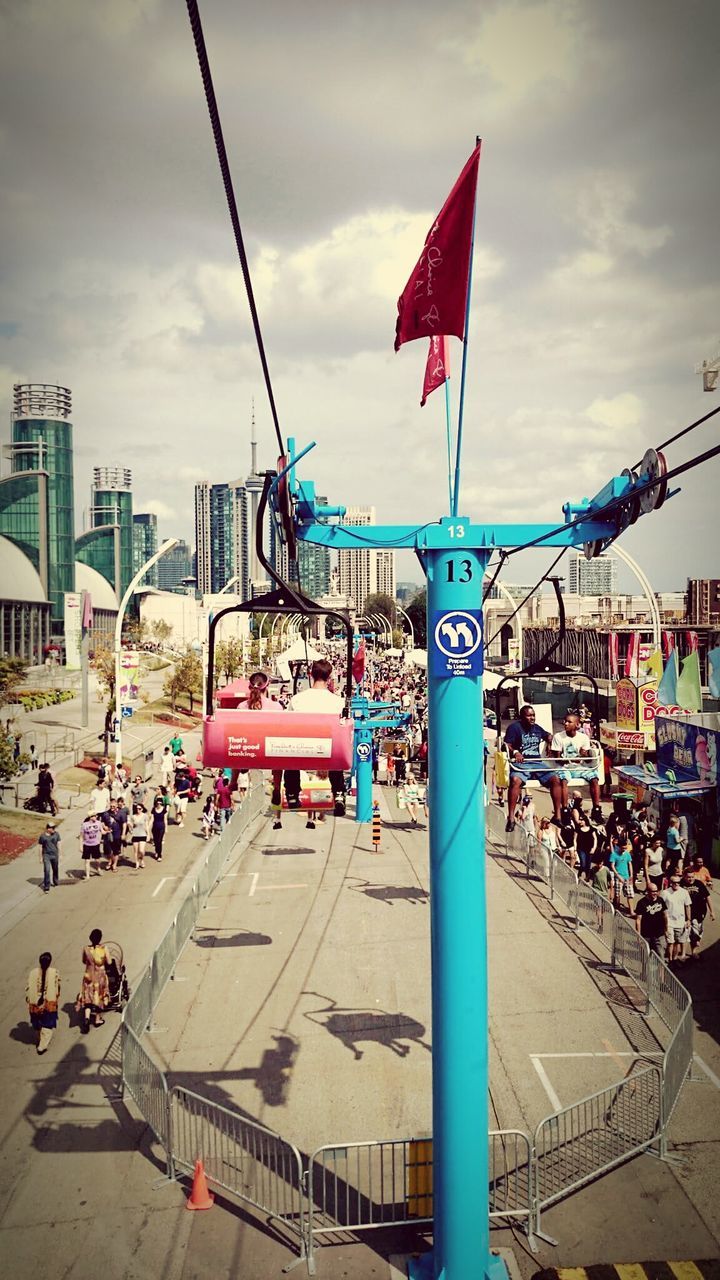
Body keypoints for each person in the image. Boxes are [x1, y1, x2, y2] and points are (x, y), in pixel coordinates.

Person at [286, 659, 347, 817]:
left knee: (290, 754)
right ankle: (339, 792)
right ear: (330, 677)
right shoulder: (338, 703)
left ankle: (292, 793)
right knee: (337, 754)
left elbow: (287, 723)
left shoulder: (297, 700)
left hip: (302, 750)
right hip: (328, 750)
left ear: (310, 674)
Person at [504, 706, 563, 832]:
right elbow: (506, 744)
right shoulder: (514, 728)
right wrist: (515, 752)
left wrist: (549, 742)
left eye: (533, 715)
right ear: (522, 717)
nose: (532, 718)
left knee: (555, 779)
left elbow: (548, 735)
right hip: (522, 762)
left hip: (536, 763)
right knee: (515, 780)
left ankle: (557, 816)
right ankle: (511, 818)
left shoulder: (536, 728)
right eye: (529, 715)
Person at [550, 712, 603, 820]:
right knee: (563, 780)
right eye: (565, 721)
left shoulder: (583, 738)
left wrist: (586, 754)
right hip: (565, 767)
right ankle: (564, 809)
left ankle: (596, 809)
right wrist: (572, 759)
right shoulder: (559, 737)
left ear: (577, 725)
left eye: (569, 722)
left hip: (579, 767)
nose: (566, 724)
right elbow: (558, 759)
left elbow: (588, 760)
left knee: (594, 778)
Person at [26, 952, 61, 1054]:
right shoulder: (54, 972)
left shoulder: (32, 973)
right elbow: (57, 988)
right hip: (48, 1003)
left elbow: (28, 988)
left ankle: (40, 1039)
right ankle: (42, 1046)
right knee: (48, 1024)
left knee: (37, 1023)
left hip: (34, 1003)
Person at [78, 929, 110, 1033]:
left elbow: (84, 961)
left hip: (88, 976)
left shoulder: (86, 949)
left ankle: (86, 1018)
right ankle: (97, 1019)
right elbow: (109, 962)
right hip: (99, 977)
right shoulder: (104, 948)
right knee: (99, 998)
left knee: (88, 998)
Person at [683, 866, 715, 959]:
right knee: (688, 933)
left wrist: (712, 911)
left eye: (692, 877)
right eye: (688, 877)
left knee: (697, 933)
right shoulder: (681, 884)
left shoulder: (699, 884)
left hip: (699, 913)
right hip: (685, 913)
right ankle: (685, 953)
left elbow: (708, 897)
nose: (690, 879)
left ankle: (694, 951)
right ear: (684, 876)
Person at [661, 875, 692, 963]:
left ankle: (674, 959)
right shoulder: (665, 893)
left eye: (678, 882)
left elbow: (687, 906)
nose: (676, 884)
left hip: (680, 922)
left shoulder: (684, 892)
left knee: (678, 942)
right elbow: (661, 907)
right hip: (669, 922)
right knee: (670, 942)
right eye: (674, 882)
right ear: (671, 883)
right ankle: (670, 960)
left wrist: (688, 919)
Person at [634, 883, 670, 957]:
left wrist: (666, 930)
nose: (655, 893)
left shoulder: (660, 900)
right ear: (648, 891)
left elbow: (665, 915)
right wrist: (638, 935)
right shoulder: (641, 903)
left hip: (659, 934)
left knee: (660, 955)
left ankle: (661, 969)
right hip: (646, 934)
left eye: (656, 891)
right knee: (645, 955)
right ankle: (646, 968)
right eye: (653, 891)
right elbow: (638, 920)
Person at [609, 830, 635, 912]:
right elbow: (612, 866)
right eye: (623, 848)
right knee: (617, 895)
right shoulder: (614, 854)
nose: (624, 849)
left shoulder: (627, 854)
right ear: (619, 846)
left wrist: (631, 875)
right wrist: (617, 875)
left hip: (627, 876)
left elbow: (630, 864)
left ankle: (631, 911)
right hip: (618, 877)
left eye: (625, 848)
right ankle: (617, 909)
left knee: (630, 894)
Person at [79, 810, 104, 878]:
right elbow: (81, 836)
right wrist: (80, 846)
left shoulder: (99, 823)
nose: (96, 816)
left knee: (97, 859)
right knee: (87, 860)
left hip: (95, 844)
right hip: (87, 844)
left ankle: (98, 868)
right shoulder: (84, 825)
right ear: (91, 817)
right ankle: (87, 875)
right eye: (95, 816)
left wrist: (107, 831)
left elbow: (102, 831)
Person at [38, 820, 61, 893]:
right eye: (52, 828)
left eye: (54, 828)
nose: (54, 829)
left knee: (55, 869)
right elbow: (40, 847)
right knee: (47, 870)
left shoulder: (56, 834)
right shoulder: (42, 836)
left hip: (54, 855)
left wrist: (60, 854)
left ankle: (55, 881)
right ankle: (46, 886)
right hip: (46, 855)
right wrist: (40, 857)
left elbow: (59, 844)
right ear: (48, 829)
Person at [575, 813, 597, 881]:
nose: (580, 821)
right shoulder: (578, 829)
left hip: (589, 849)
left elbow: (595, 838)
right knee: (583, 864)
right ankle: (579, 874)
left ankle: (587, 878)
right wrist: (575, 849)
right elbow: (574, 839)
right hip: (581, 849)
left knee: (588, 865)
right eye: (580, 820)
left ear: (585, 821)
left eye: (582, 820)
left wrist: (594, 848)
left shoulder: (591, 829)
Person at [148, 796, 167, 861]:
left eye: (160, 803)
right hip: (155, 827)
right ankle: (156, 851)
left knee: (159, 841)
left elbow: (165, 820)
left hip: (161, 827)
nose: (159, 805)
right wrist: (148, 827)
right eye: (158, 803)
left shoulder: (164, 810)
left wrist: (166, 828)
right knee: (156, 841)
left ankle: (159, 855)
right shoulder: (154, 809)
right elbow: (152, 819)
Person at [129, 803, 148, 868]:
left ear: (142, 809)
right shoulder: (133, 816)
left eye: (140, 809)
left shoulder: (145, 816)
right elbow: (130, 825)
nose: (138, 810)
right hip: (135, 835)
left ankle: (142, 859)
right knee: (136, 851)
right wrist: (131, 829)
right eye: (137, 808)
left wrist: (148, 834)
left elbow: (146, 825)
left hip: (143, 834)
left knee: (141, 851)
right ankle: (137, 862)